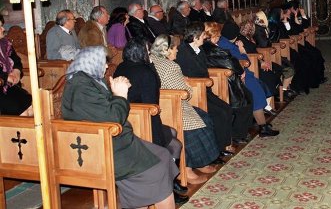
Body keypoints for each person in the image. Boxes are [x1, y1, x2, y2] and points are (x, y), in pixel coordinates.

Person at [62, 46, 178, 209]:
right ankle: (145, 199)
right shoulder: (81, 88)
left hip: (117, 139)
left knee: (163, 154)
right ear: (91, 63)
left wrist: (117, 93)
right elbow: (113, 118)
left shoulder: (91, 80)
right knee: (155, 170)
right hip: (102, 145)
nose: (106, 66)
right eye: (103, 63)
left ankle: (144, 200)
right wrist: (120, 95)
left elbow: (108, 111)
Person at [113, 38, 188, 204]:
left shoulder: (121, 66)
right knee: (175, 145)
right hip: (145, 118)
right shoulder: (145, 71)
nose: (150, 54)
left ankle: (172, 181)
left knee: (173, 133)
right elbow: (152, 102)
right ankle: (168, 186)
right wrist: (151, 65)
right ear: (142, 53)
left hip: (129, 120)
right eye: (148, 51)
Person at [150, 35, 220, 184]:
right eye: (175, 49)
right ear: (167, 50)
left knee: (204, 117)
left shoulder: (152, 60)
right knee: (199, 125)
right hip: (174, 107)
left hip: (162, 106)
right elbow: (186, 94)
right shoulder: (171, 66)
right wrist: (186, 83)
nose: (177, 52)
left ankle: (200, 164)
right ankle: (186, 170)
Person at [175, 23, 235, 154]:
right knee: (219, 114)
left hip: (205, 90)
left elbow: (204, 69)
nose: (204, 37)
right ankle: (217, 149)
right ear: (195, 37)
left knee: (227, 108)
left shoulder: (199, 49)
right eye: (202, 35)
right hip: (194, 92)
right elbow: (186, 75)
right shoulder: (183, 52)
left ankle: (224, 145)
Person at [218, 21, 280, 137]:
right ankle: (263, 127)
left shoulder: (222, 42)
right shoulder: (230, 46)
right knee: (257, 94)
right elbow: (245, 61)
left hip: (238, 74)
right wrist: (242, 49)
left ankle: (262, 123)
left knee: (259, 89)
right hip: (240, 75)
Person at [202, 22, 254, 144]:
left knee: (247, 97)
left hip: (219, 78)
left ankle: (240, 133)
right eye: (218, 36)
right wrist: (241, 71)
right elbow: (230, 63)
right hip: (227, 81)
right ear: (213, 35)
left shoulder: (204, 47)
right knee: (246, 99)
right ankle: (239, 134)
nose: (219, 38)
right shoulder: (214, 49)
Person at [253, 10, 298, 100]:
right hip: (267, 55)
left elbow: (288, 33)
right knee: (288, 69)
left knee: (292, 63)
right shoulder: (260, 29)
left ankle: (285, 89)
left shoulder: (264, 27)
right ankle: (283, 91)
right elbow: (265, 44)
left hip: (272, 52)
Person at [0, 15, 32, 116]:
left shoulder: (5, 44)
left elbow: (17, 61)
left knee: (32, 108)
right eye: (0, 26)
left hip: (9, 87)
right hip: (1, 88)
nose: (3, 29)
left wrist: (17, 72)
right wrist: (6, 77)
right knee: (23, 113)